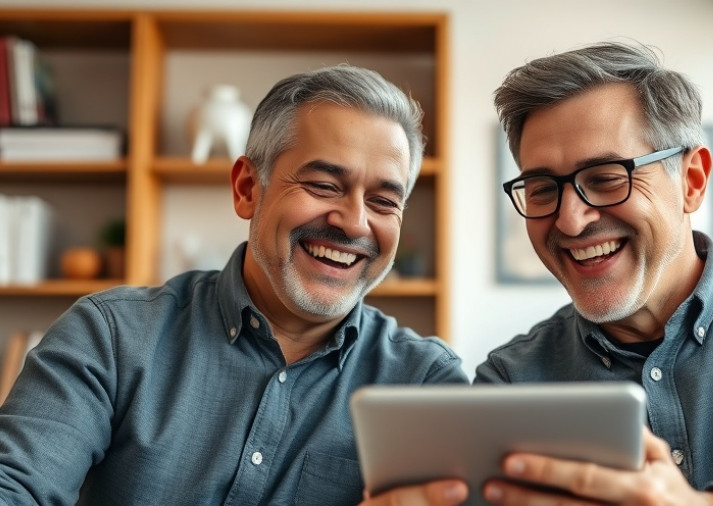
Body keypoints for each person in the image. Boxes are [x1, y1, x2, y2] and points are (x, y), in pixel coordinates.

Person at [365, 41, 713, 506]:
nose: (571, 219)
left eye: (605, 177)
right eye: (543, 189)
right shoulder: (509, 384)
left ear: (691, 180)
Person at [0, 65, 468, 505]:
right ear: (248, 189)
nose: (354, 223)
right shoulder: (109, 337)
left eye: (385, 201)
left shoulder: (426, 386)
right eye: (324, 185)